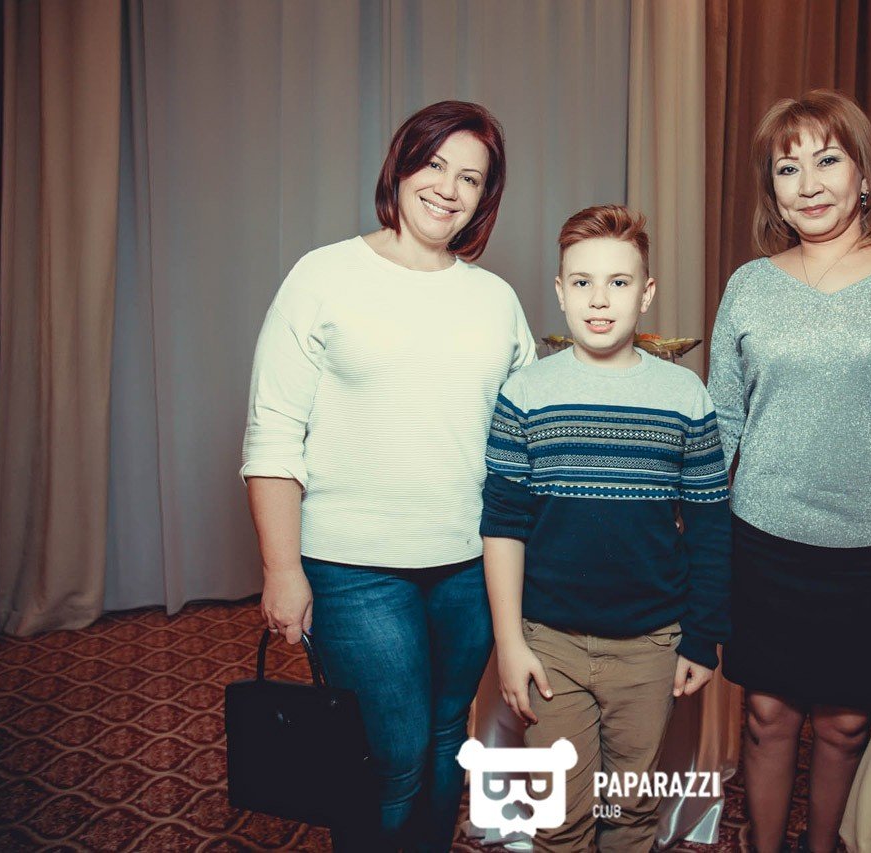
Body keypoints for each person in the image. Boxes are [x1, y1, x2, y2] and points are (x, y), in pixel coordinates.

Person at [240, 100, 536, 851]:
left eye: (471, 177)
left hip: (469, 565)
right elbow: (273, 432)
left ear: (485, 196)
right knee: (393, 758)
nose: (449, 188)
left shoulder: (495, 299)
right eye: (435, 164)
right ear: (401, 166)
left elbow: (525, 438)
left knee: (443, 737)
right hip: (352, 569)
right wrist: (281, 570)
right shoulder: (323, 276)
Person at [707, 91, 871, 853]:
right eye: (787, 168)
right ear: (772, 190)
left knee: (847, 722)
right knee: (767, 715)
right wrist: (694, 538)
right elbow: (721, 421)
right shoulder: (750, 285)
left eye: (827, 160)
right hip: (763, 539)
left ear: (863, 176)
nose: (809, 183)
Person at [480, 205, 731, 851]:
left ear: (646, 294)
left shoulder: (685, 395)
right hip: (550, 644)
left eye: (619, 282)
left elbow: (710, 528)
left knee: (630, 810)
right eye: (582, 281)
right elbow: (503, 525)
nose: (599, 299)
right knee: (558, 819)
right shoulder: (525, 393)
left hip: (650, 645)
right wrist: (509, 641)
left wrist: (702, 637)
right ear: (560, 291)